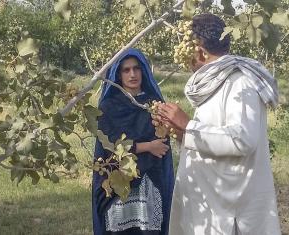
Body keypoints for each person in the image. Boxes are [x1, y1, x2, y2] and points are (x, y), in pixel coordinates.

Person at [155, 14, 282, 235]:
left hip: (230, 210)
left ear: (200, 51)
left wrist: (188, 125)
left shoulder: (240, 83)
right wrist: (182, 133)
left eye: (188, 51)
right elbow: (215, 133)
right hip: (209, 203)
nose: (186, 60)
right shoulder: (217, 80)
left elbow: (242, 140)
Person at [92, 48, 174, 235]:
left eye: (136, 69)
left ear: (143, 71)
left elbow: (162, 141)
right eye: (126, 70)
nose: (132, 74)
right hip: (120, 181)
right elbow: (110, 145)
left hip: (149, 180)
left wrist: (158, 143)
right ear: (118, 75)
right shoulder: (109, 106)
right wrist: (148, 146)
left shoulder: (154, 104)